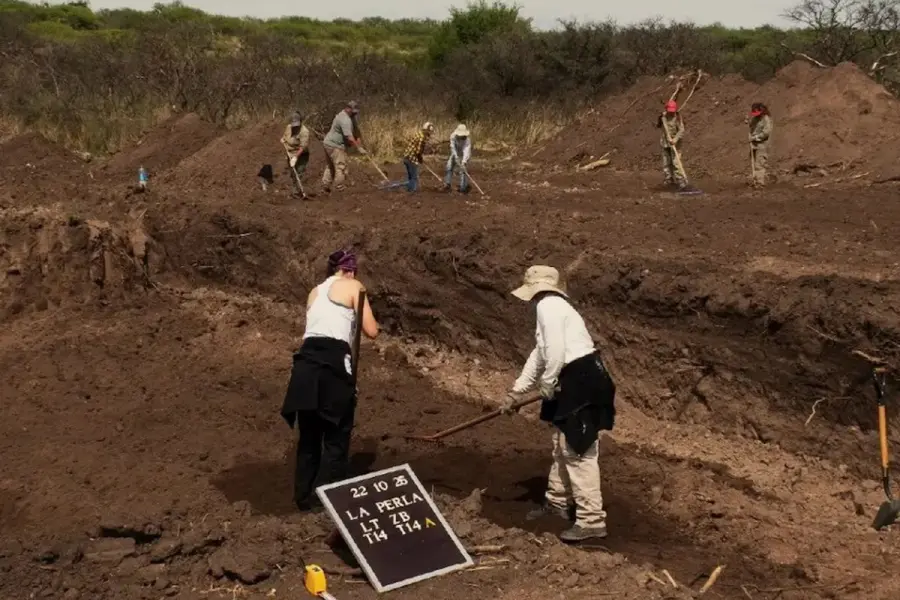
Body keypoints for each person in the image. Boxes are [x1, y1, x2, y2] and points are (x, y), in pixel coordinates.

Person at [500, 265, 616, 543]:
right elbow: (540, 353)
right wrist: (517, 391)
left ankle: (591, 520)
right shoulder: (554, 307)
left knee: (578, 448)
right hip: (576, 376)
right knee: (562, 443)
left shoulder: (549, 306)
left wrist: (548, 380)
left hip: (581, 378)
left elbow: (555, 350)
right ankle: (557, 501)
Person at [280, 249, 379, 511]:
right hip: (332, 365)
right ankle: (331, 503)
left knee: (309, 438)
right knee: (336, 437)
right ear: (350, 271)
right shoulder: (354, 286)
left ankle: (303, 498)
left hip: (305, 366)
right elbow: (372, 330)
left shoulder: (314, 292)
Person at [322, 101, 366, 193]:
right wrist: (358, 148)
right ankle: (339, 187)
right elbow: (349, 137)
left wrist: (360, 144)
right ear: (348, 108)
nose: (355, 113)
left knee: (330, 165)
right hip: (335, 145)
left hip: (329, 143)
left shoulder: (351, 117)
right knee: (341, 166)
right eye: (353, 111)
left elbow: (356, 132)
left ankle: (325, 185)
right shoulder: (345, 120)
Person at [657, 100, 686, 189]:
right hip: (665, 142)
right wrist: (660, 118)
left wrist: (675, 140)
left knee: (676, 162)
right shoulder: (663, 117)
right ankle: (668, 178)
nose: (671, 113)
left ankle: (680, 179)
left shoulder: (677, 117)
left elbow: (681, 130)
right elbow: (658, 125)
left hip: (675, 143)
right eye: (670, 111)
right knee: (666, 161)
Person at [281, 111, 310, 199]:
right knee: (293, 173)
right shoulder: (289, 127)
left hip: (301, 155)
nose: (295, 127)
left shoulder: (304, 131)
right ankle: (295, 191)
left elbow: (303, 147)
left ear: (300, 122)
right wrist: (283, 139)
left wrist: (295, 157)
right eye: (293, 124)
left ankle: (297, 192)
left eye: (297, 124)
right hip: (290, 153)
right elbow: (285, 136)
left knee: (299, 172)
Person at [401, 122, 434, 192]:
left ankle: (409, 190)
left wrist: (420, 158)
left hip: (406, 157)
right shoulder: (422, 138)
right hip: (411, 159)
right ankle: (412, 192)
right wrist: (420, 159)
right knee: (414, 177)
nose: (430, 133)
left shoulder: (419, 134)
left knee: (410, 176)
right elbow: (418, 152)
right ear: (426, 130)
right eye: (429, 131)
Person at [748, 102, 773, 187]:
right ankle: (755, 180)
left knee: (760, 163)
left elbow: (766, 132)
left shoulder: (766, 119)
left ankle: (760, 183)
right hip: (754, 144)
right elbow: (752, 126)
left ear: (761, 110)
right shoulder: (755, 119)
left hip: (762, 144)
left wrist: (756, 137)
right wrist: (748, 122)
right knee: (754, 162)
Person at [444, 123, 472, 193]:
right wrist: (456, 157)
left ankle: (463, 187)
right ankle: (447, 184)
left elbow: (466, 151)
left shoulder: (467, 140)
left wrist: (464, 162)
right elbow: (452, 147)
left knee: (463, 170)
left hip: (463, 154)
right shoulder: (453, 136)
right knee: (449, 167)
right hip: (455, 152)